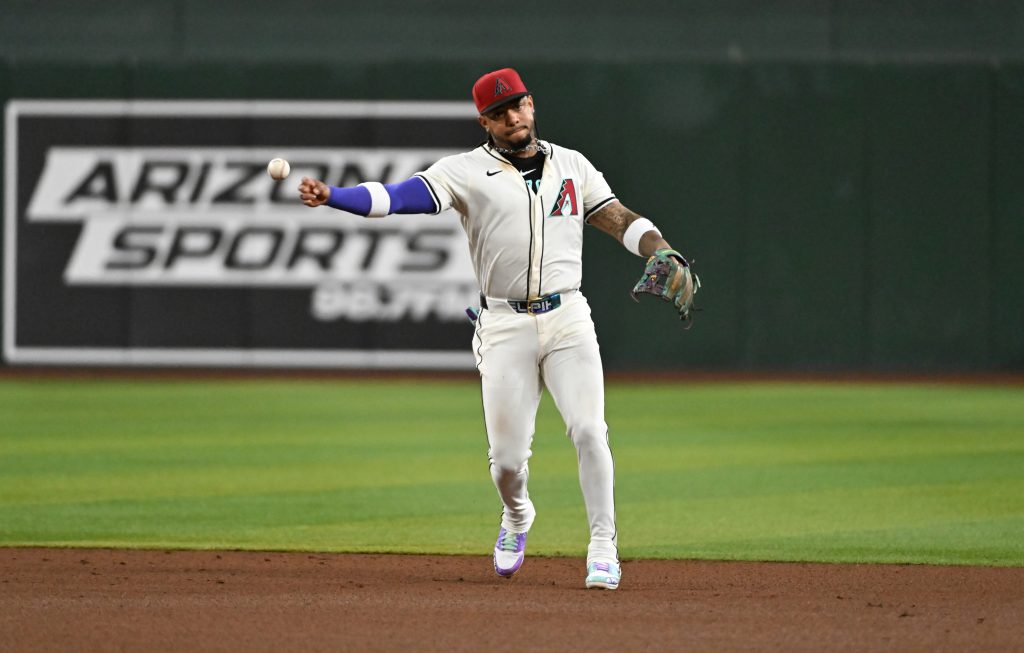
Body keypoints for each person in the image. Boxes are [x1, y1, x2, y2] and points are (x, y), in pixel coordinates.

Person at [298, 67, 687, 590]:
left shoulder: (572, 165)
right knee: (506, 462)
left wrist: (661, 248)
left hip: (568, 316)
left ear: (532, 104)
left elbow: (617, 218)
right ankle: (517, 515)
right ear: (484, 121)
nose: (512, 117)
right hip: (504, 324)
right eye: (499, 112)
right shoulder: (463, 172)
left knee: (590, 430)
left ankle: (602, 546)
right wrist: (335, 196)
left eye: (518, 105)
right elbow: (395, 197)